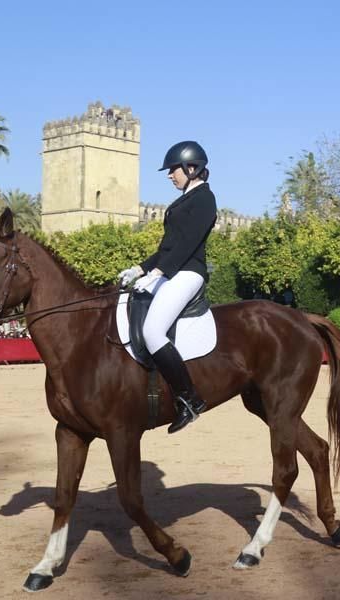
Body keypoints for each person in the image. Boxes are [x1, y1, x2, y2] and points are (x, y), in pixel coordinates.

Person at [118, 141, 218, 434]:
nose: (169, 175)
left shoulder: (204, 199)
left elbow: (188, 244)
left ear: (191, 167)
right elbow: (167, 247)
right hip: (171, 270)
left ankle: (189, 399)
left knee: (152, 331)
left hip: (188, 272)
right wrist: (141, 268)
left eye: (173, 169)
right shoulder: (182, 200)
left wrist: (160, 271)